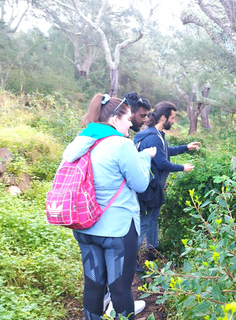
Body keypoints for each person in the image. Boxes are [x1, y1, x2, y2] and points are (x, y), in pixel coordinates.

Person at [63, 93, 156, 320]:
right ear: (115, 118)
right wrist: (145, 157)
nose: (130, 124)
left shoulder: (79, 142)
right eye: (127, 119)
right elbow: (141, 184)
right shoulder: (121, 144)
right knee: (120, 289)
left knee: (93, 286)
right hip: (117, 230)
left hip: (84, 226)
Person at [133, 101, 200, 264]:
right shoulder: (154, 137)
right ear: (163, 117)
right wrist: (182, 167)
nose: (174, 121)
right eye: (173, 117)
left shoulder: (152, 134)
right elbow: (162, 163)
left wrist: (186, 147)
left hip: (150, 186)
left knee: (151, 218)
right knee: (145, 220)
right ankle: (131, 257)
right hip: (150, 188)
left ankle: (152, 250)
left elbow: (165, 151)